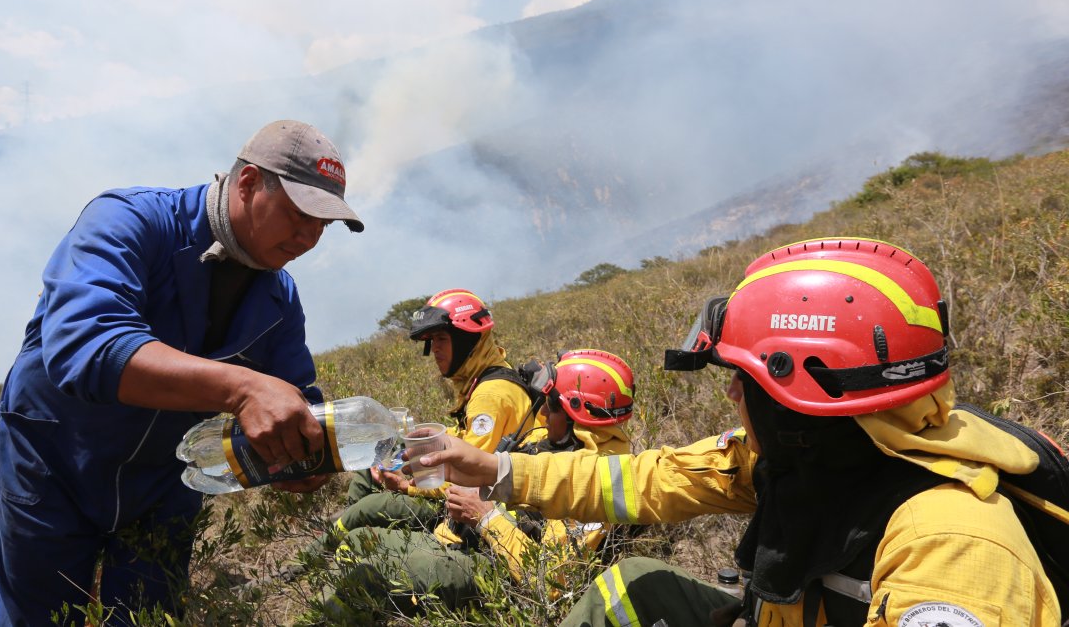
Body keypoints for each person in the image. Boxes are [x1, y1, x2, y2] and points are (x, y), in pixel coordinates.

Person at [417, 237, 1060, 626]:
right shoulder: (812, 459)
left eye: (745, 382)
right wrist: (499, 472)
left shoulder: (953, 547)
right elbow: (647, 480)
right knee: (632, 583)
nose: (730, 394)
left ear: (801, 391)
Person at [0, 120, 364, 624]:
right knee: (42, 615)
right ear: (249, 183)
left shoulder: (279, 296)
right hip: (58, 463)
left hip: (166, 482)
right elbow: (87, 345)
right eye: (299, 214)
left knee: (148, 615)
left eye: (323, 224)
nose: (309, 237)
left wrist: (300, 453)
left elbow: (293, 393)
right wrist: (244, 389)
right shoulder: (130, 220)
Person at [315, 349, 636, 621]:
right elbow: (482, 478)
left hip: (496, 572)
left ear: (574, 413)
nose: (542, 409)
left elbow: (552, 580)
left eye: (550, 403)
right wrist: (410, 486)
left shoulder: (599, 482)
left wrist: (486, 518)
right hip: (463, 537)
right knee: (357, 541)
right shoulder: (544, 439)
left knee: (371, 578)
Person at [329, 288, 540, 537]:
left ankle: (331, 540)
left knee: (371, 506)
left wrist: (407, 486)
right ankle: (346, 517)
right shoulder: (482, 377)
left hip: (475, 505)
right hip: (464, 483)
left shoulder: (489, 396)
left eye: (441, 339)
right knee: (389, 446)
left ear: (466, 339)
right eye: (432, 341)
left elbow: (470, 477)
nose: (435, 350)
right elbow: (469, 438)